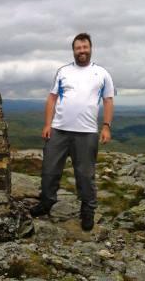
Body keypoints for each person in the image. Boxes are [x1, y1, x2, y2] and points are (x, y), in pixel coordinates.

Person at [29, 33, 114, 231]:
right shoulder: (63, 71)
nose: (82, 51)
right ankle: (47, 202)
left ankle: (88, 210)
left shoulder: (102, 73)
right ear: (73, 50)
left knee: (85, 174)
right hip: (58, 130)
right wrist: (47, 124)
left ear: (90, 48)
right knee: (49, 171)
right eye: (78, 48)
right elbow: (52, 98)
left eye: (85, 47)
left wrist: (106, 126)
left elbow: (108, 100)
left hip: (87, 132)